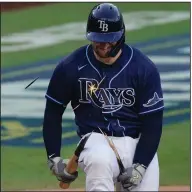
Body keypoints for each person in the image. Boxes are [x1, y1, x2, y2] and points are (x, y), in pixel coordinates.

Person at [43, 3, 164, 191]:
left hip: (138, 144)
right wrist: (54, 158)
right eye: (99, 39)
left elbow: (153, 122)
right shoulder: (71, 67)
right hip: (96, 141)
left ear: (121, 36)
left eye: (110, 39)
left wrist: (140, 165)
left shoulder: (143, 68)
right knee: (99, 160)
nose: (104, 45)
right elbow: (53, 112)